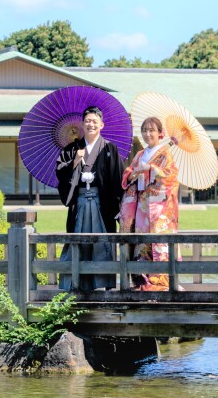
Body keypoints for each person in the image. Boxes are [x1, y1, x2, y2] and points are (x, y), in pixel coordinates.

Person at [56, 105, 124, 291]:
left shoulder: (110, 149)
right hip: (79, 203)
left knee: (101, 242)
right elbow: (60, 171)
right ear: (82, 124)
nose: (90, 124)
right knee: (78, 239)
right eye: (87, 121)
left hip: (102, 204)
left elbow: (118, 180)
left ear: (102, 125)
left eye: (94, 121)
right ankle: (75, 284)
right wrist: (74, 162)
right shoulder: (72, 149)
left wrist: (119, 208)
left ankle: (102, 284)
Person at [119, 116, 181, 291]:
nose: (148, 134)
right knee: (141, 240)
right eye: (145, 130)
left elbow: (170, 177)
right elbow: (129, 174)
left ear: (160, 133)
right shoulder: (140, 154)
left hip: (160, 208)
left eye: (152, 130)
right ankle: (142, 280)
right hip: (142, 204)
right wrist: (133, 173)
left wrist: (151, 168)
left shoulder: (165, 154)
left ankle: (161, 281)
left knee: (159, 242)